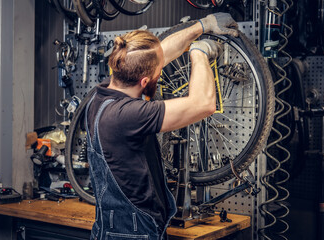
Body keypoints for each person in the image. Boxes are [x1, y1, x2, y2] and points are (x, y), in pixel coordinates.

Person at [85, 13, 238, 240]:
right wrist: (199, 53)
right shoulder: (128, 115)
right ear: (144, 82)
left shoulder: (102, 94)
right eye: (158, 72)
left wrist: (203, 25)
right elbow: (203, 104)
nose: (161, 70)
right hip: (131, 234)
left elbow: (159, 54)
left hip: (120, 227)